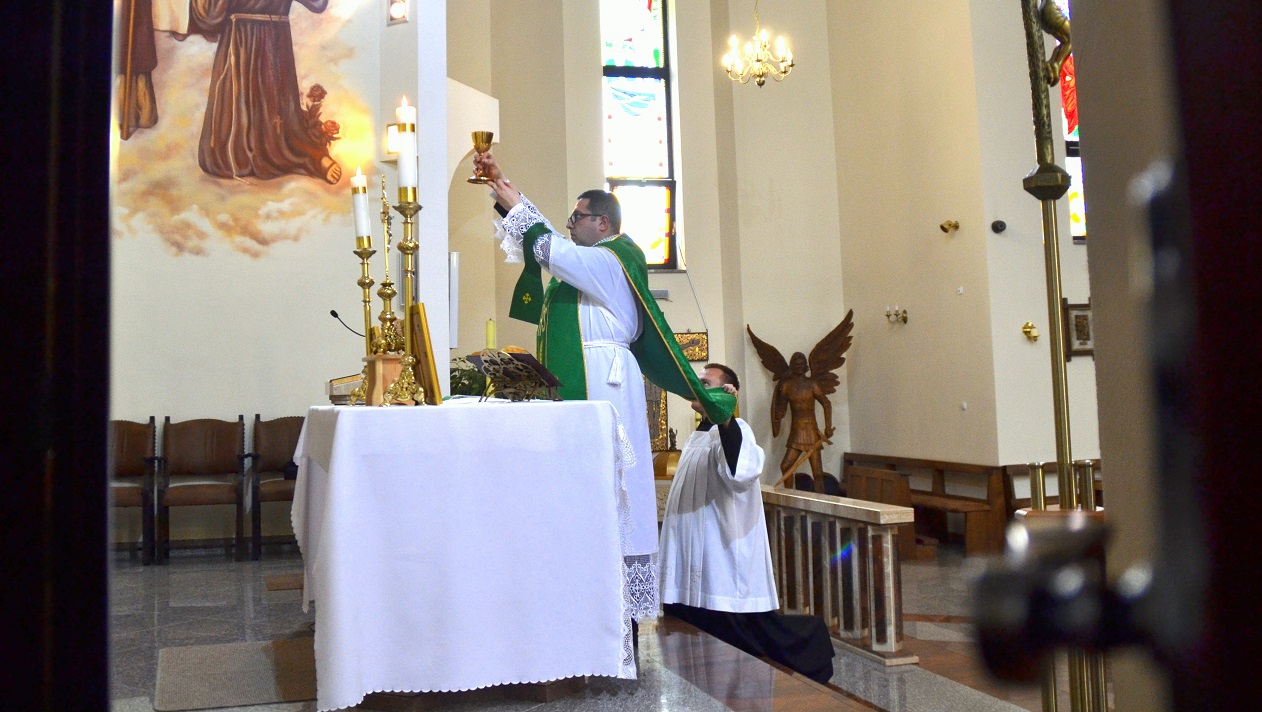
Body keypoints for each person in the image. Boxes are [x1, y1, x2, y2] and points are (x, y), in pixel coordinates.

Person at [477, 152, 735, 626]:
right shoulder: (592, 263)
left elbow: (553, 249)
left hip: (604, 382)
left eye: (576, 216)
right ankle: (579, 580)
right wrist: (503, 192)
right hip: (588, 381)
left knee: (610, 484)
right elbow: (551, 246)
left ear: (601, 222)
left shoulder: (613, 260)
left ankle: (614, 600)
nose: (569, 223)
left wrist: (514, 201)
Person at [659, 363, 836, 683]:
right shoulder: (696, 438)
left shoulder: (736, 429)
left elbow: (740, 472)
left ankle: (814, 646)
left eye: (707, 383)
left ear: (729, 393)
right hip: (691, 576)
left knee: (748, 648)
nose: (697, 387)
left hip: (723, 572)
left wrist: (726, 418)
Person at [190, 0, 342, 184]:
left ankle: (313, 159)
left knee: (241, 122)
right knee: (273, 113)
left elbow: (210, 16)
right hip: (270, 41)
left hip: (244, 40)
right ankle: (313, 159)